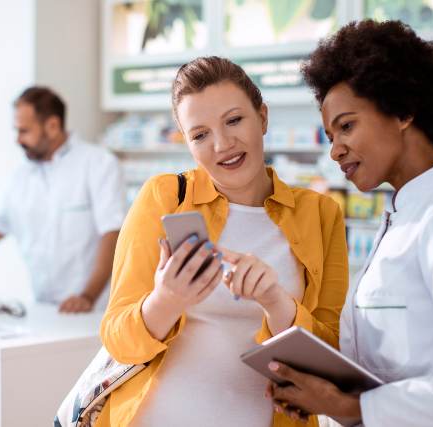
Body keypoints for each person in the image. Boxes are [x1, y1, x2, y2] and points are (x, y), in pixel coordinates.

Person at [265, 20, 433, 426]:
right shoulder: (403, 220)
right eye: (330, 135)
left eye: (346, 126)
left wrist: (350, 407)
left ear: (403, 111)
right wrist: (326, 394)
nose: (335, 151)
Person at [98, 57, 349, 427]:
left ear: (262, 117)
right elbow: (118, 341)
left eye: (234, 120)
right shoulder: (164, 197)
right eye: (200, 134)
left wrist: (277, 304)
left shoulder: (321, 214)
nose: (222, 144)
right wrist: (166, 301)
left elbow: (331, 358)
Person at [0, 86, 125, 313]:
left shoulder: (99, 164)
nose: (17, 139)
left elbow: (113, 234)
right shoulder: (21, 176)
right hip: (44, 308)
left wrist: (87, 296)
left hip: (94, 309)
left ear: (52, 126)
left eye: (24, 131)